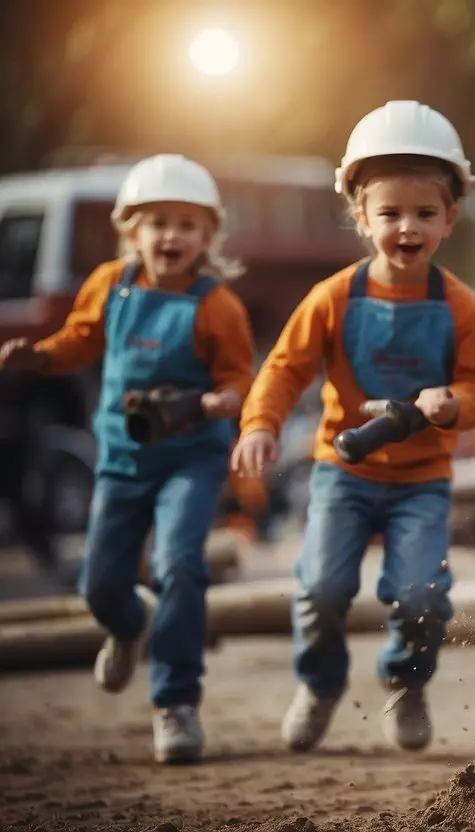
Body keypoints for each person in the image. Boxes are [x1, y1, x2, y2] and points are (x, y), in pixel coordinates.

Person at [230, 101, 475, 755]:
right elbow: (284, 368)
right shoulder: (332, 297)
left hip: (421, 481)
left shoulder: (459, 304)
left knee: (422, 595)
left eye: (424, 214)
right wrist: (260, 423)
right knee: (321, 590)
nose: (406, 227)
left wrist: (451, 405)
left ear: (449, 218)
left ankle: (406, 684)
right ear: (361, 216)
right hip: (342, 473)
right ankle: (319, 685)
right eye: (390, 213)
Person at [0, 154, 255, 764]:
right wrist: (37, 357)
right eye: (157, 222)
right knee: (100, 585)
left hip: (189, 461)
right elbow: (79, 340)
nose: (171, 236)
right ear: (131, 230)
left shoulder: (217, 305)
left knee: (179, 566)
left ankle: (176, 703)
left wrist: (219, 401)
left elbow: (240, 379)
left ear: (208, 236)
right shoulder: (110, 285)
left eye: (187, 225)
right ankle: (125, 624)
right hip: (121, 462)